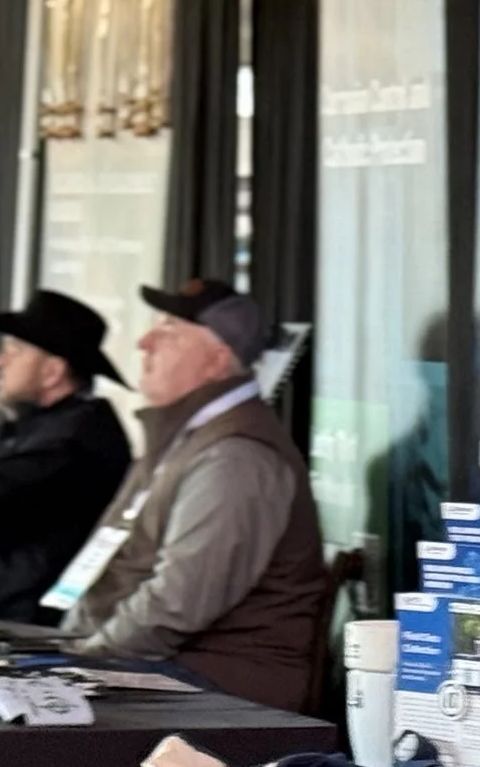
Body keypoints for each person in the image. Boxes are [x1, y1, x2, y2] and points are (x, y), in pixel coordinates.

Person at [58, 282, 328, 713]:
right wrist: (66, 648)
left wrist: (83, 662)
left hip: (219, 687)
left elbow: (176, 603)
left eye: (168, 331)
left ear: (217, 359)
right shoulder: (191, 435)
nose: (143, 343)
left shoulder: (237, 456)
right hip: (170, 672)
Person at [0, 289, 134, 624]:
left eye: (13, 350)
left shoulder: (73, 440)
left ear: (52, 372)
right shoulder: (46, 426)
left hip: (21, 636)